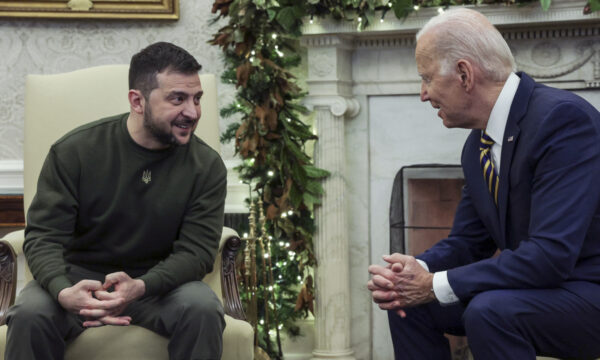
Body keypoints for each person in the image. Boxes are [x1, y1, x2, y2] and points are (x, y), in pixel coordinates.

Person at [367, 8, 600, 360]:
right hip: (538, 290)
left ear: (464, 74)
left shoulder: (563, 120)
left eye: (427, 78)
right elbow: (467, 242)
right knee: (405, 302)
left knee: (490, 310)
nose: (423, 94)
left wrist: (433, 286)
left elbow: (550, 257)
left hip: (587, 290)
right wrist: (414, 273)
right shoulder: (478, 145)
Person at [5, 42, 227, 360]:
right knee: (29, 313)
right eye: (177, 98)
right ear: (137, 101)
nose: (192, 112)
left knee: (203, 307)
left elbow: (197, 252)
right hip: (77, 282)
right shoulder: (74, 152)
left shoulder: (206, 166)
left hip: (157, 288)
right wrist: (62, 290)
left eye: (197, 98)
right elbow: (44, 237)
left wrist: (142, 286)